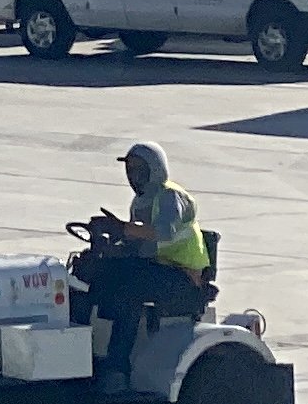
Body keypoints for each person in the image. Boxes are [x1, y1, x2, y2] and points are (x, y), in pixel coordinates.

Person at [75, 139, 210, 379]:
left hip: (184, 278)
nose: (132, 175)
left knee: (130, 291)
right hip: (158, 269)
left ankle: (118, 365)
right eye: (129, 170)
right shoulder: (140, 203)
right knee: (95, 276)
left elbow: (164, 231)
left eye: (138, 169)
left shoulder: (170, 197)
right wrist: (110, 248)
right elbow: (139, 246)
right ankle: (80, 353)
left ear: (154, 169)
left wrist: (123, 228)